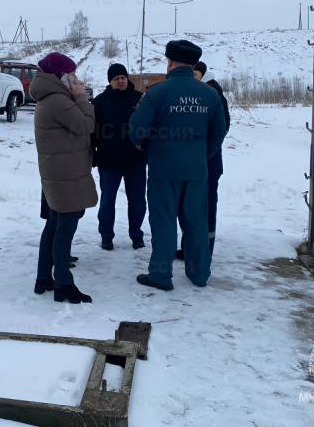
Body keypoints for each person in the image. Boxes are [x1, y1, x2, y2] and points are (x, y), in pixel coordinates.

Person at [128, 40, 226, 290]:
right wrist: (203, 155)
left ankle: (161, 276)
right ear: (194, 64)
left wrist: (144, 145)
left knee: (164, 223)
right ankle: (200, 273)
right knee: (196, 223)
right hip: (197, 170)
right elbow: (219, 131)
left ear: (169, 61)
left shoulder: (156, 92)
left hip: (164, 169)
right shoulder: (210, 93)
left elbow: (136, 130)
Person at [31, 52, 98, 304]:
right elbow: (86, 125)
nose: (76, 79)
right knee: (65, 228)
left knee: (54, 225)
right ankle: (63, 284)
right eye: (71, 75)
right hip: (65, 174)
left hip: (58, 172)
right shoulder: (58, 99)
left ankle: (43, 279)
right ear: (60, 76)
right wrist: (82, 97)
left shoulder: (51, 97)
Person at [177, 60, 230, 259]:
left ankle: (205, 250)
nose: (192, 80)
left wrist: (203, 152)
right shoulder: (192, 95)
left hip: (208, 162)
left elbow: (222, 129)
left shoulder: (213, 95)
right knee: (188, 207)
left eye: (196, 75)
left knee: (206, 206)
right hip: (192, 163)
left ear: (204, 76)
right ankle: (188, 247)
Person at [92, 63, 146, 251]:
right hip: (109, 161)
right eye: (116, 79)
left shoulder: (139, 99)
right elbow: (93, 131)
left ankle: (136, 234)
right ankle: (106, 235)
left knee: (138, 201)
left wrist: (146, 147)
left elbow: (149, 125)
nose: (121, 81)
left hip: (136, 161)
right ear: (110, 81)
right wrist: (93, 154)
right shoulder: (100, 102)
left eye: (123, 77)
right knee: (107, 200)